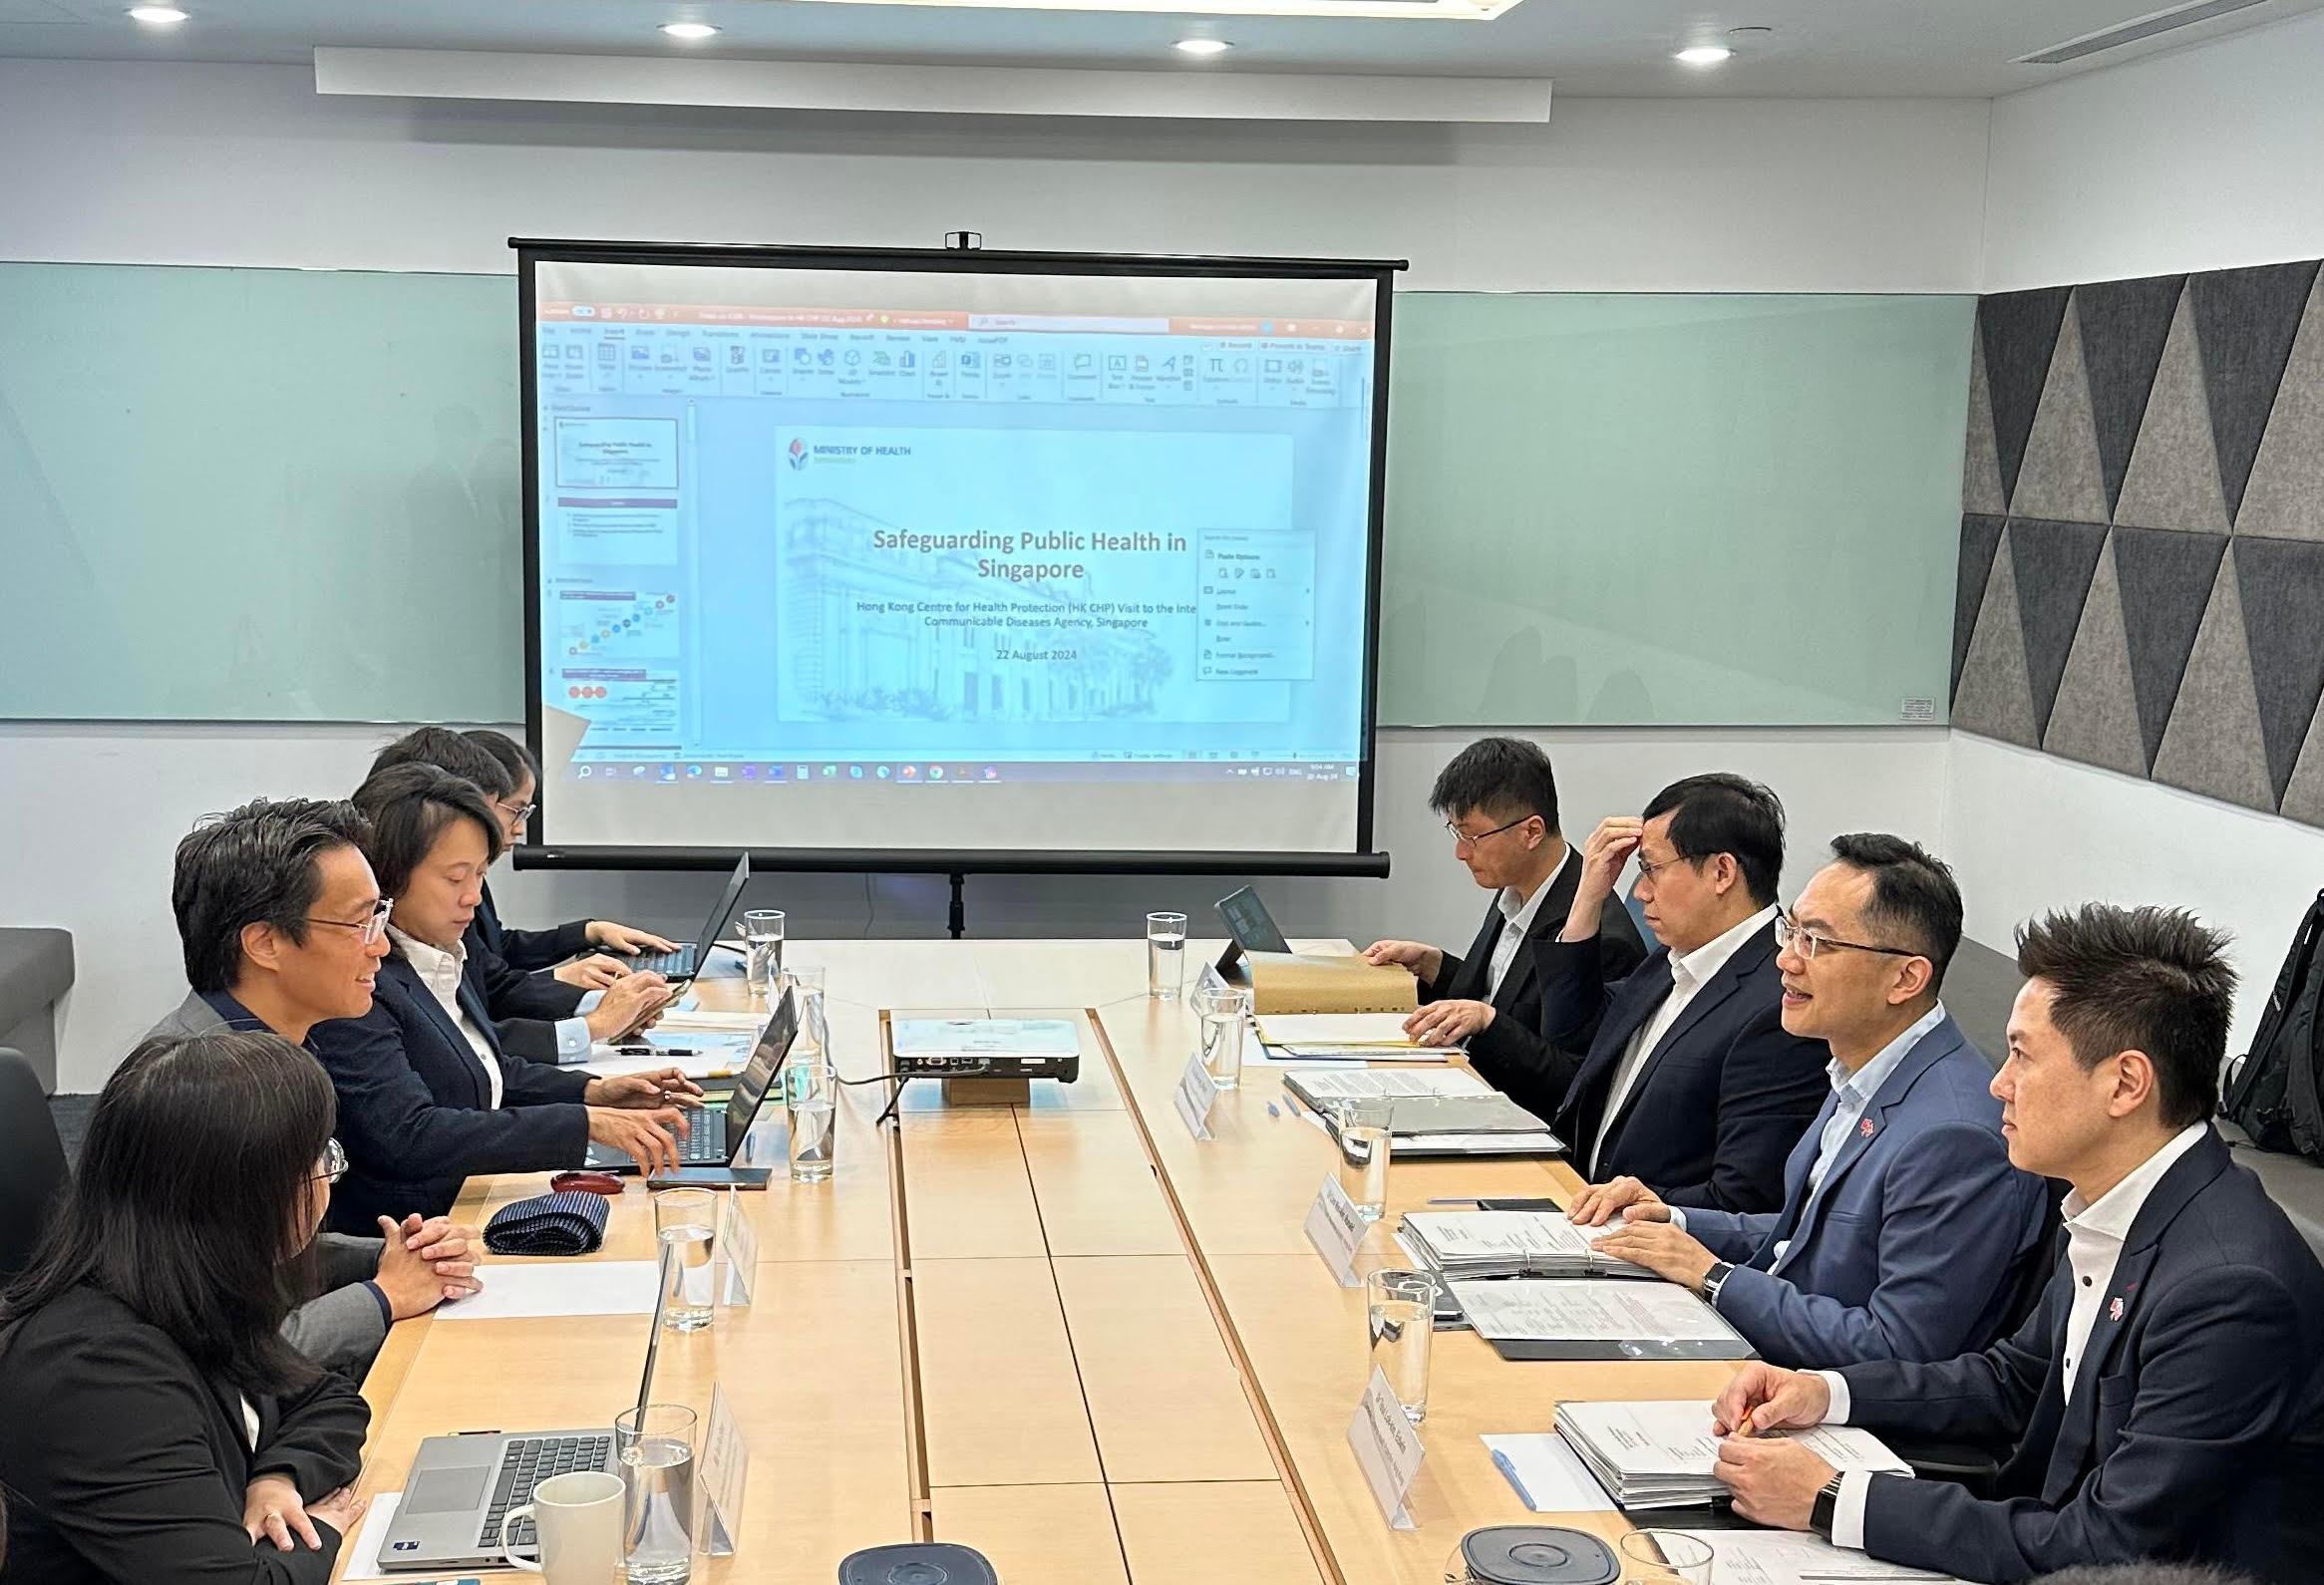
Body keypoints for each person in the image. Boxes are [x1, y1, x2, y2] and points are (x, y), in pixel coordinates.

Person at [1712, 905, 2324, 1583]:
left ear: (2125, 1083)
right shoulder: (2120, 1197)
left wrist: (1831, 1500)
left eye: (2021, 1056)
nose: (1997, 1083)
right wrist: (1824, 1392)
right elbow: (2013, 1380)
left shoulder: (2228, 1289)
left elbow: (2108, 1541)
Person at [1569, 834, 2050, 1365]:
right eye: (1791, 931)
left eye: (1817, 943)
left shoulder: (1953, 1137)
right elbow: (1800, 1236)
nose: (1786, 961)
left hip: (1838, 1412)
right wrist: (1671, 1220)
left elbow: (1897, 1349)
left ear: (1906, 978)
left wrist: (1713, 1278)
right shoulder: (1861, 1067)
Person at [0, 1031, 371, 1580]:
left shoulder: (184, 1288)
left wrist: (279, 1478)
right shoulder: (97, 1372)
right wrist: (321, 1532)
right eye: (318, 1159)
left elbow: (327, 1396)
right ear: (242, 1193)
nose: (327, 1177)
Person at [147, 797, 483, 1377]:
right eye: (360, 924)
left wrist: (395, 1256)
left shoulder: (283, 1049)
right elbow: (220, 1360)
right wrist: (383, 1296)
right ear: (266, 944)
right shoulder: (201, 1096)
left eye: (380, 917)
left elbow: (263, 1258)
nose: (381, 946)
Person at [310, 765, 703, 1231]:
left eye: (480, 875)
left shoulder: (438, 953)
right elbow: (410, 1135)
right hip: (408, 1235)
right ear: (388, 878)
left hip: (467, 1207)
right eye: (456, 878)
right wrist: (584, 1123)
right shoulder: (360, 983)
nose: (473, 898)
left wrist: (595, 1092)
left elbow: (477, 1073)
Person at [1537, 773, 1826, 1211]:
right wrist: (1586, 900)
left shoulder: (1777, 1003)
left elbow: (1744, 1199)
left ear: (1721, 872)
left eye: (1651, 869)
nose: (1639, 892)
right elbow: (1571, 1037)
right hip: (1582, 1206)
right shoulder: (1669, 960)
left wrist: (1636, 1207)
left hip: (1650, 1248)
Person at [1361, 737, 1646, 1119]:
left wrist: (1488, 1025)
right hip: (1470, 1089)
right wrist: (1435, 965)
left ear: (1530, 832)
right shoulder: (1516, 888)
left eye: (1472, 836)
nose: (1461, 853)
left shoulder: (1599, 938)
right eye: (1457, 834)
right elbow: (1504, 996)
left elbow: (1573, 1084)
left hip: (1525, 1128)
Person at [367, 728, 669, 1061]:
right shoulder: (371, 971)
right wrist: (593, 1023)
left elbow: (488, 981)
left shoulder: (449, 901)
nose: (473, 896)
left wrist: (607, 1010)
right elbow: (475, 1043)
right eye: (512, 809)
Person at [461, 729, 677, 984]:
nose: (520, 828)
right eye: (515, 810)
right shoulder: (454, 883)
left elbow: (498, 948)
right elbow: (485, 993)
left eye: (525, 813)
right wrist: (562, 977)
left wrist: (589, 932)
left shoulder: (473, 874)